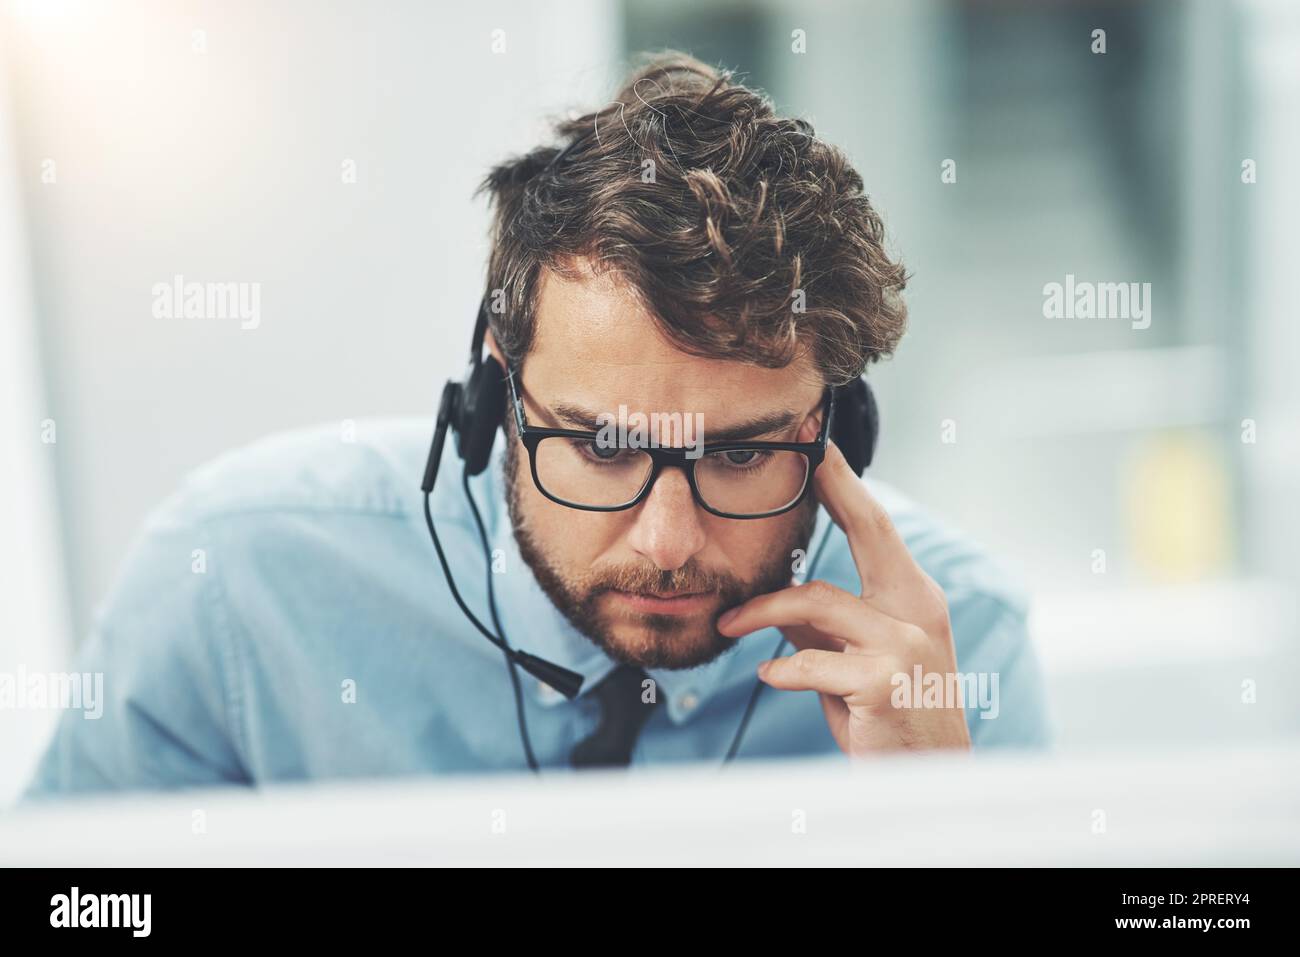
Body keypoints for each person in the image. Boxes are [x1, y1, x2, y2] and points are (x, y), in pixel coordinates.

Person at [25, 52, 1050, 796]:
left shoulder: (956, 640)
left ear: (839, 431)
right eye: (603, 445)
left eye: (738, 453)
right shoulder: (237, 578)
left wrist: (940, 822)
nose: (667, 544)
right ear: (492, 403)